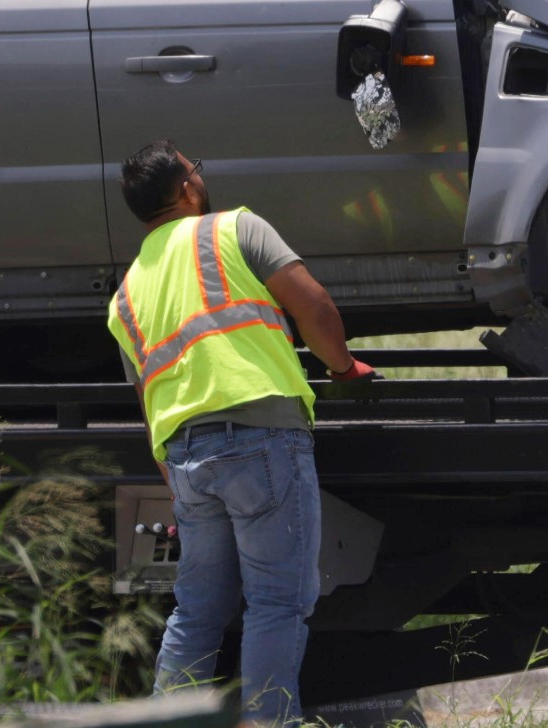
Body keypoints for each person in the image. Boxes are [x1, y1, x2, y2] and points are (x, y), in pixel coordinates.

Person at [108, 140, 375, 724]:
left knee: (196, 613)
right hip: (262, 439)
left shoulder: (125, 296)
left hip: (185, 462)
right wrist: (343, 367)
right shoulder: (234, 229)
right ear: (186, 189)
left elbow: (151, 407)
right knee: (277, 605)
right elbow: (316, 308)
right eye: (194, 168)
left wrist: (179, 487)